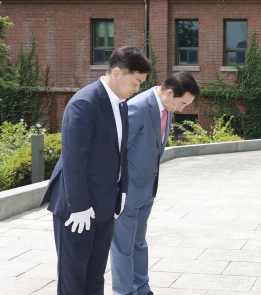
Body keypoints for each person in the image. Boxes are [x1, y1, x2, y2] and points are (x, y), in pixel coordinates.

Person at [41, 46, 151, 295]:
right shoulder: (84, 103)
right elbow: (74, 160)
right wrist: (79, 206)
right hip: (76, 207)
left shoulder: (121, 105)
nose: (137, 89)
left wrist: (122, 192)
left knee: (95, 276)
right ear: (117, 73)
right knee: (73, 279)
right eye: (135, 82)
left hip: (105, 204)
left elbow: (121, 152)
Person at [111, 71, 201, 295]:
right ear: (169, 93)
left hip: (147, 190)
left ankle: (142, 288)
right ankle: (124, 292)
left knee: (139, 243)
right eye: (182, 103)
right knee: (123, 247)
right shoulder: (137, 107)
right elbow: (116, 152)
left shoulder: (165, 109)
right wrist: (117, 190)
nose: (182, 109)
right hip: (127, 191)